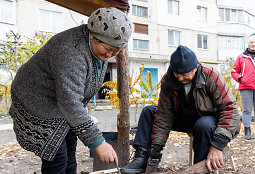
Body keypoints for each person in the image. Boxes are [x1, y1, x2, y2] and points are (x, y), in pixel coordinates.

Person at [9, 7, 132, 174]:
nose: (110, 54)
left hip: (60, 98)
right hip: (36, 98)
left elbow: (74, 96)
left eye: (115, 51)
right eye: (108, 49)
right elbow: (70, 103)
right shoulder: (70, 51)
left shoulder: (97, 48)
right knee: (57, 154)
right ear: (93, 36)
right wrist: (98, 142)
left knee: (70, 149)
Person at [121, 45, 241, 173]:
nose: (180, 78)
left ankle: (201, 170)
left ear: (195, 68)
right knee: (148, 111)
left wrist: (218, 144)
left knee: (203, 124)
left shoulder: (210, 75)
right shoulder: (168, 80)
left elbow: (229, 108)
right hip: (183, 119)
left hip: (207, 122)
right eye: (177, 74)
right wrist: (156, 149)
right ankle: (142, 159)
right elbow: (164, 114)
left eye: (184, 74)